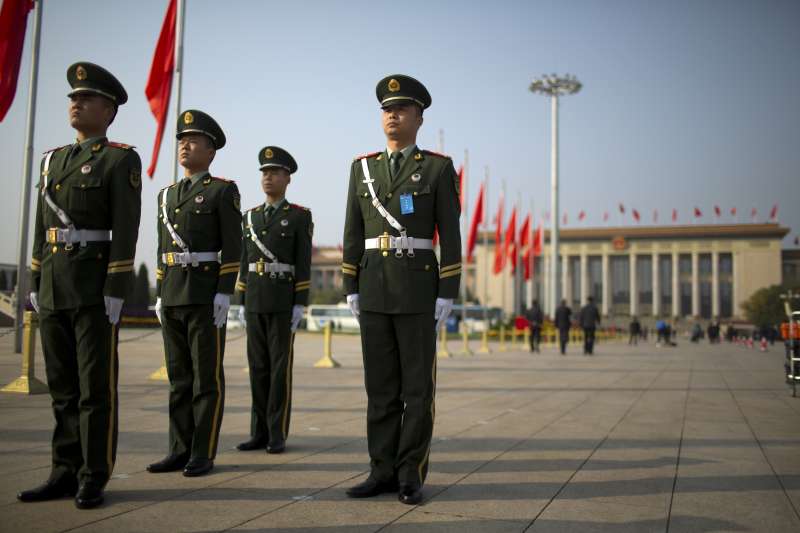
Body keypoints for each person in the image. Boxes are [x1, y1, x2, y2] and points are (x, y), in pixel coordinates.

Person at [20, 63, 142, 509]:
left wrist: (116, 285)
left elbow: (126, 226)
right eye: (73, 97)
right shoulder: (53, 160)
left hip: (92, 287)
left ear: (108, 110)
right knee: (63, 388)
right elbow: (41, 225)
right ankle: (62, 470)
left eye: (86, 98)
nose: (75, 103)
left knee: (94, 389)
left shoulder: (119, 158)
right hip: (54, 285)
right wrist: (34, 277)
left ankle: (93, 474)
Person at [341, 75, 461, 505]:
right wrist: (349, 283)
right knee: (380, 388)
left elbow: (450, 232)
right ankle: (380, 469)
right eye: (386, 109)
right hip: (373, 287)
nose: (392, 114)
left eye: (402, 108)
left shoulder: (436, 168)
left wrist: (448, 288)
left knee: (416, 389)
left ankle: (410, 472)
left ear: (419, 117)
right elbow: (352, 231)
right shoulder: (363, 168)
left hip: (416, 290)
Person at [148, 110, 242, 477]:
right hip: (172, 293)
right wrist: (159, 291)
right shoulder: (166, 195)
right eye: (181, 141)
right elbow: (160, 249)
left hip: (204, 294)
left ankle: (202, 452)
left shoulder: (221, 191)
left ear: (211, 150)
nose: (185, 146)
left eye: (194, 140)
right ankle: (178, 448)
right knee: (179, 378)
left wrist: (224, 292)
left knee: (205, 379)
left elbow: (234, 247)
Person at [235, 146, 312, 454]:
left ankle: (277, 433)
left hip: (282, 299)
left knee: (279, 370)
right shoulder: (249, 217)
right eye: (264, 172)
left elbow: (303, 261)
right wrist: (240, 298)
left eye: (275, 172)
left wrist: (300, 302)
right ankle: (258, 432)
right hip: (254, 298)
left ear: (287, 178)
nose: (268, 177)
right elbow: (244, 260)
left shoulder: (298, 216)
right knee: (257, 368)